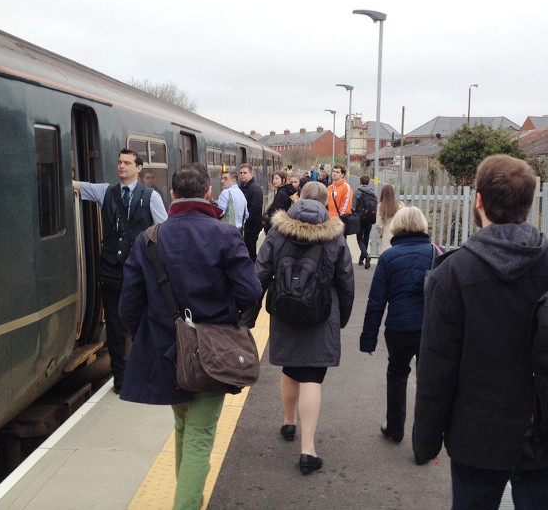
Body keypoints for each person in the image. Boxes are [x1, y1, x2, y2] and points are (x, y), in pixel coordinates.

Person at [413, 154, 548, 510]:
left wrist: (426, 442)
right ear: (530, 202)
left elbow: (435, 369)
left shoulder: (453, 274)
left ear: (478, 201)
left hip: (477, 438)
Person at [119, 163, 260, 509]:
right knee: (199, 435)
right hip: (212, 353)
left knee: (183, 427)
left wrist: (149, 337)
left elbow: (128, 306)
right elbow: (251, 292)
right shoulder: (225, 235)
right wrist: (230, 320)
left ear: (172, 195)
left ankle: (188, 497)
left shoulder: (148, 239)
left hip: (166, 351)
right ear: (209, 193)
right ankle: (187, 503)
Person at [256, 181, 354, 475]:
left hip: (285, 310)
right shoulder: (334, 235)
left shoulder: (278, 230)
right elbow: (346, 281)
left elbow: (260, 272)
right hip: (321, 313)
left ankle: (289, 422)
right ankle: (308, 450)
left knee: (290, 368)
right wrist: (342, 318)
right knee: (312, 375)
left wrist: (247, 315)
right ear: (325, 203)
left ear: (298, 198)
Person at [73, 149, 168, 394]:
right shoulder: (105, 192)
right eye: (119, 162)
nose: (121, 166)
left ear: (139, 168)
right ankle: (121, 378)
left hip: (140, 271)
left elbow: (163, 232)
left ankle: (146, 370)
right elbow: (76, 186)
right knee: (115, 327)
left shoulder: (151, 197)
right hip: (111, 271)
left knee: (142, 322)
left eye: (127, 163)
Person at [361, 206, 436, 445]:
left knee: (397, 373)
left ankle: (395, 428)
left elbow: (376, 301)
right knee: (428, 380)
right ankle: (424, 440)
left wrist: (369, 339)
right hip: (429, 329)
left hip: (399, 328)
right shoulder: (436, 253)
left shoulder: (388, 257)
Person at [239, 163, 263, 262]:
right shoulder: (241, 187)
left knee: (250, 251)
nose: (242, 175)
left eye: (245, 173)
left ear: (251, 174)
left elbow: (255, 210)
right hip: (245, 226)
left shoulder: (255, 189)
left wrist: (246, 221)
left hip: (251, 227)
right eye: (241, 173)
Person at [353, 174, 376, 268]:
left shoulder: (357, 192)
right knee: (366, 238)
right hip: (370, 218)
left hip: (360, 219)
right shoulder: (373, 193)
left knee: (359, 239)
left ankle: (366, 256)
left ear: (360, 182)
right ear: (369, 183)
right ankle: (361, 260)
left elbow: (353, 206)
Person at [375, 183, 404, 254]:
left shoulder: (381, 206)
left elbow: (379, 224)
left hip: (387, 230)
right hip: (398, 230)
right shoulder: (400, 204)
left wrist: (381, 232)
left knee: (386, 251)